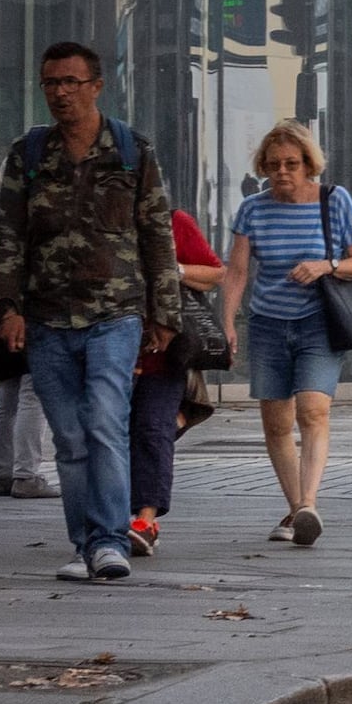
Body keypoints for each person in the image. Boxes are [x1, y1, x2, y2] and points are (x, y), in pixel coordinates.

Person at [0, 37, 182, 585]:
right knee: (69, 437)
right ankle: (84, 543)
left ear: (97, 86)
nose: (60, 92)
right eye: (51, 82)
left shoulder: (131, 150)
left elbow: (156, 234)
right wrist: (8, 309)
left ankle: (111, 541)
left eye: (72, 82)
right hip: (46, 319)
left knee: (103, 425)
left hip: (116, 314)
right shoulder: (27, 154)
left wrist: (164, 314)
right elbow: (6, 237)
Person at [217, 123, 352, 548]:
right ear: (263, 168)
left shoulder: (334, 201)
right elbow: (238, 272)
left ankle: (307, 502)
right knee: (276, 421)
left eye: (291, 164)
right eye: (273, 165)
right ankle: (296, 508)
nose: (282, 172)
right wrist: (227, 323)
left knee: (313, 410)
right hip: (268, 323)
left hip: (319, 322)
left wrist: (326, 265)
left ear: (308, 164)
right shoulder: (253, 208)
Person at [123, 193, 222, 555]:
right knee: (111, 432)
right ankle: (110, 517)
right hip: (111, 352)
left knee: (151, 428)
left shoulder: (174, 221)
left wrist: (173, 269)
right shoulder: (93, 225)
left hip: (164, 355)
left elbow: (214, 273)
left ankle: (145, 521)